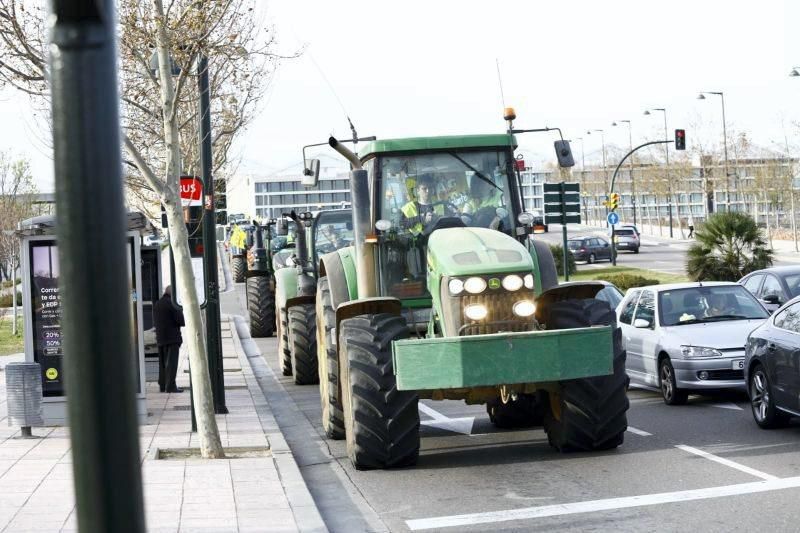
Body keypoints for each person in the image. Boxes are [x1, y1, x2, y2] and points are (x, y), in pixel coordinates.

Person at [153, 285, 185, 393]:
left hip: (160, 338)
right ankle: (171, 386)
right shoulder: (173, 304)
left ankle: (162, 385)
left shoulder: (158, 303)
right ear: (173, 294)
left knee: (162, 364)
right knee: (171, 363)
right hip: (172, 338)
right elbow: (181, 321)